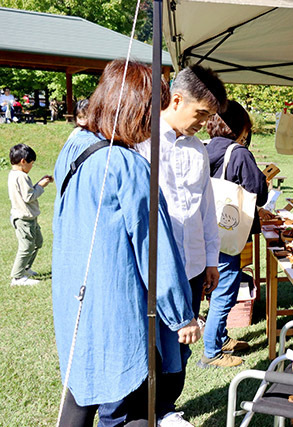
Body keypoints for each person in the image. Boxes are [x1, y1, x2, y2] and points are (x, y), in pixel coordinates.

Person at [52, 59, 201, 426]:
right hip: (117, 306)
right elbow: (156, 248)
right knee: (128, 406)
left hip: (75, 297)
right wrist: (181, 315)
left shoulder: (73, 146)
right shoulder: (128, 165)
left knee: (80, 395)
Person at [136, 64, 227, 426]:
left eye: (209, 116)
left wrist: (210, 260)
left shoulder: (198, 150)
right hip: (154, 268)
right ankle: (145, 411)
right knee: (153, 347)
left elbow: (207, 209)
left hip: (190, 266)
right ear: (176, 99)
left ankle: (166, 408)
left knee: (183, 346)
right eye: (201, 113)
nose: (204, 122)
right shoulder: (143, 143)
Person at [199, 100, 268, 368]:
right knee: (225, 289)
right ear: (241, 127)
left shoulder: (203, 147)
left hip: (204, 229)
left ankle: (220, 337)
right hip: (227, 233)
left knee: (217, 285)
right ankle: (212, 352)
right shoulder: (239, 153)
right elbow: (258, 193)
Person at [8, 144, 53, 286]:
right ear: (23, 161)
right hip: (23, 219)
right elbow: (29, 196)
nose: (32, 166)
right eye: (31, 163)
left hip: (29, 218)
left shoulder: (14, 174)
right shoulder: (21, 176)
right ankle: (17, 277)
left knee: (37, 242)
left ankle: (25, 268)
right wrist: (41, 186)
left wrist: (38, 183)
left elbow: (26, 193)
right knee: (26, 246)